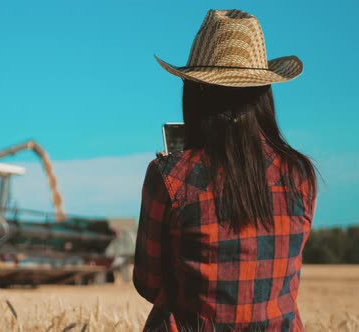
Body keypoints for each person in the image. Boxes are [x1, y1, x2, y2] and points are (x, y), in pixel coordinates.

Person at [133, 9, 317, 332]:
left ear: (195, 92)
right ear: (264, 94)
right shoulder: (300, 175)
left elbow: (148, 282)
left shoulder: (169, 177)